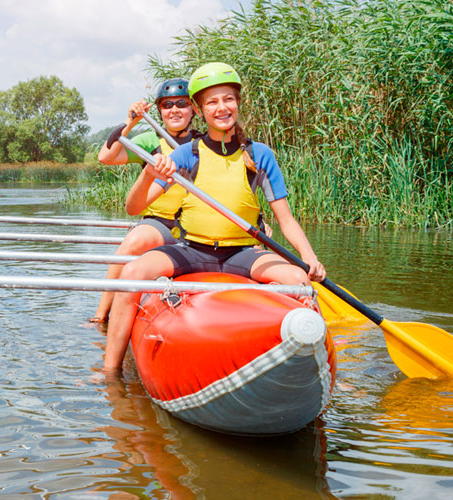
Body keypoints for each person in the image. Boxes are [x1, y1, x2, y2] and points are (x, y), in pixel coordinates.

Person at [102, 62, 326, 371]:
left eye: (228, 99)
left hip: (244, 253)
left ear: (238, 102)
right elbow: (134, 208)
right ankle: (110, 374)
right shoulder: (185, 154)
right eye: (212, 102)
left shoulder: (260, 155)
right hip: (192, 250)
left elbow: (285, 219)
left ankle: (319, 368)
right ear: (200, 109)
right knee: (131, 276)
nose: (222, 107)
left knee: (300, 282)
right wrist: (148, 175)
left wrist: (309, 256)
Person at [90, 78, 199, 323]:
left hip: (198, 225)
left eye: (181, 104)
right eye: (167, 105)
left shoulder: (203, 142)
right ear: (159, 111)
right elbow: (106, 157)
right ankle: (100, 317)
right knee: (134, 242)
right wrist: (132, 121)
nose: (175, 110)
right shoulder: (151, 141)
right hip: (160, 223)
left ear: (193, 109)